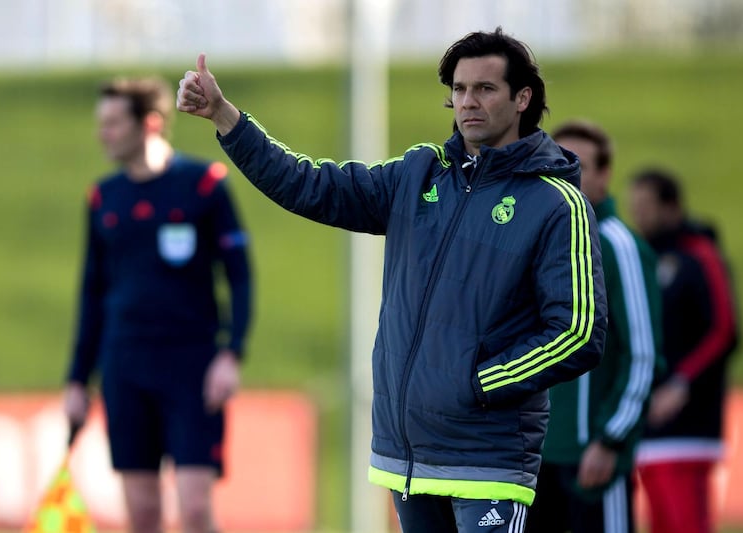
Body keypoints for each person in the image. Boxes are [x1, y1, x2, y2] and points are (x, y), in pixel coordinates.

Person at [176, 27, 607, 533]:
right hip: (407, 460)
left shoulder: (556, 203)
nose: (468, 101)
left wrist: (478, 383)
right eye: (460, 89)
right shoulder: (418, 174)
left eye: (485, 89)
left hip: (488, 462)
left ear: (522, 98)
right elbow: (311, 185)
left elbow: (578, 332)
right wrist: (226, 118)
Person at [63, 76, 253, 533]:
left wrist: (231, 353)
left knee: (192, 506)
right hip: (125, 366)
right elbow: (92, 293)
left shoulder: (203, 185)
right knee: (143, 512)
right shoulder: (103, 197)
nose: (102, 133)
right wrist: (76, 380)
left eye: (112, 123)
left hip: (191, 366)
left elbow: (240, 275)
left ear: (148, 123)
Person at [525, 120, 663, 533]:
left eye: (578, 164)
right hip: (533, 460)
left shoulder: (620, 245)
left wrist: (610, 440)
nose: (565, 173)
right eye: (555, 162)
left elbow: (643, 356)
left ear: (605, 174)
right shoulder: (542, 238)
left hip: (592, 458)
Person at [628, 168, 739, 533]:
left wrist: (681, 384)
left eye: (645, 206)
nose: (638, 214)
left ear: (671, 207)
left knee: (686, 523)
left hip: (689, 423)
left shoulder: (700, 255)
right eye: (634, 206)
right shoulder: (643, 257)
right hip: (650, 424)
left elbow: (724, 331)